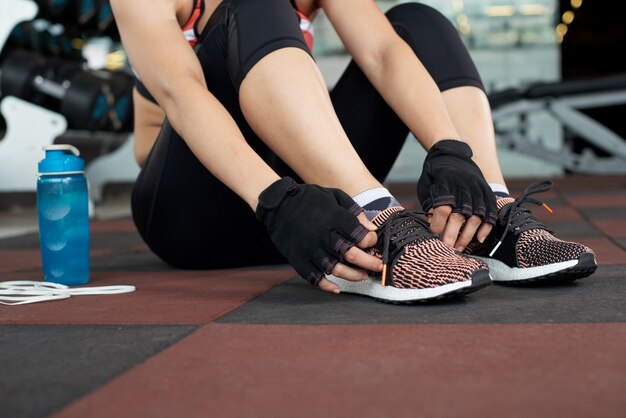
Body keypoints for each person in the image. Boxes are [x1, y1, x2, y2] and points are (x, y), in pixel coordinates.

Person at [110, 0, 597, 303]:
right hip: (195, 216)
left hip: (315, 215)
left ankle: (485, 214)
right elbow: (182, 93)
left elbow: (383, 51)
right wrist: (274, 199)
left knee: (415, 22)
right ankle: (374, 216)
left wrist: (450, 151)